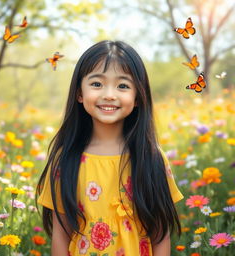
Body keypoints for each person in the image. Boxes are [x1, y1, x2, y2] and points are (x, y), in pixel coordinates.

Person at [36, 40, 184, 256]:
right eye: (97, 84)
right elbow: (61, 234)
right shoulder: (66, 159)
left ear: (137, 98)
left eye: (123, 86)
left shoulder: (151, 158)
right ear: (79, 93)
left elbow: (160, 233)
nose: (109, 94)